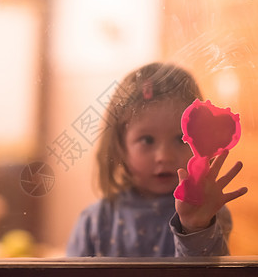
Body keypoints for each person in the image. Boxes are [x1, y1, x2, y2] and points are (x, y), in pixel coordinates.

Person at [66, 62, 248, 257]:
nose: (164, 156)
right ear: (120, 146)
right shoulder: (94, 221)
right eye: (147, 140)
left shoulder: (207, 212)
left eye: (180, 139)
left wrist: (195, 228)